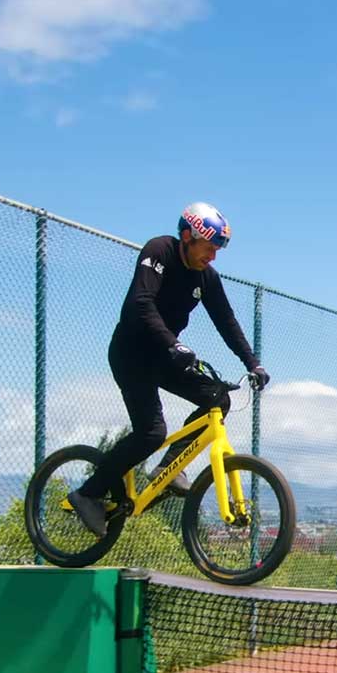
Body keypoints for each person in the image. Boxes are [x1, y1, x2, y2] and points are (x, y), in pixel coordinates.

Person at [67, 202, 269, 536]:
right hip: (132, 354)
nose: (213, 257)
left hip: (165, 355)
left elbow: (226, 321)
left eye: (217, 250)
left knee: (217, 399)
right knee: (151, 432)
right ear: (188, 236)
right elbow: (140, 303)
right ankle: (88, 493)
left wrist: (253, 363)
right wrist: (173, 343)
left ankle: (169, 467)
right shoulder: (159, 250)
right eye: (209, 248)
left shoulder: (207, 277)